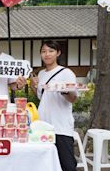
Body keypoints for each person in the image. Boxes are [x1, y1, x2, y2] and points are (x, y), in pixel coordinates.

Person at [30, 40, 78, 171]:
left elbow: (73, 98)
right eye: (44, 51)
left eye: (51, 51)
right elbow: (42, 97)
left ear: (58, 53)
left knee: (67, 165)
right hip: (43, 127)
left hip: (61, 127)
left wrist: (64, 91)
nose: (47, 54)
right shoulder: (41, 74)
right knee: (46, 165)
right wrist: (33, 86)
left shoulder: (66, 73)